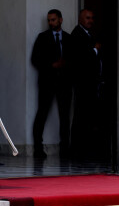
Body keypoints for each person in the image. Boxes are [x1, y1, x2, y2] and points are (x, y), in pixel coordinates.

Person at [31, 9, 73, 159]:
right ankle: (38, 148)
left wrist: (65, 66)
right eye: (49, 20)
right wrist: (51, 65)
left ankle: (65, 149)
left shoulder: (68, 38)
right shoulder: (42, 38)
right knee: (41, 114)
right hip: (47, 82)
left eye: (53, 20)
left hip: (64, 83)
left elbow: (74, 60)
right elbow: (35, 59)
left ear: (60, 20)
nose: (51, 23)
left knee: (64, 116)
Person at [70, 9, 105, 159]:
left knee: (89, 116)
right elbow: (80, 58)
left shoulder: (89, 34)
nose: (91, 21)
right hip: (83, 83)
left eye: (92, 18)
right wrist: (95, 50)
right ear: (80, 19)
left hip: (91, 83)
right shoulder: (78, 34)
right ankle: (79, 150)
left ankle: (86, 149)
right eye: (88, 18)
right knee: (81, 116)